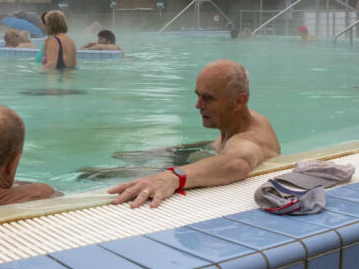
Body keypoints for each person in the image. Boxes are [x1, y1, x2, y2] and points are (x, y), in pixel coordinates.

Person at [108, 60, 280, 208]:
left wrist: (173, 177)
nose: (198, 105)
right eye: (198, 95)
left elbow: (238, 163)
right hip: (209, 152)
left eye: (208, 98)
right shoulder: (241, 121)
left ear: (239, 101)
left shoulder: (249, 139)